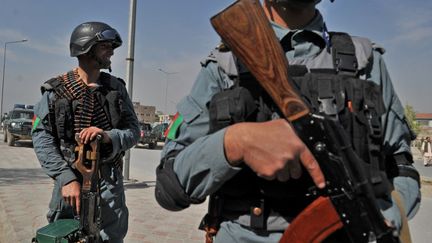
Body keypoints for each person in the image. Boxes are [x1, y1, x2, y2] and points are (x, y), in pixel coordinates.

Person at [155, 0, 421, 242]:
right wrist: (234, 143)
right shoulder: (225, 66)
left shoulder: (367, 61)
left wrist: (383, 220)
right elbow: (169, 188)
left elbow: (402, 169)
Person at [32, 21, 140, 242]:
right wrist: (65, 178)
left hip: (109, 182)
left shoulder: (116, 88)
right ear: (86, 48)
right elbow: (42, 137)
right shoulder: (57, 90)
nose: (111, 51)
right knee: (65, 235)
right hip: (71, 181)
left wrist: (109, 136)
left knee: (110, 236)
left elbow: (134, 131)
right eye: (105, 46)